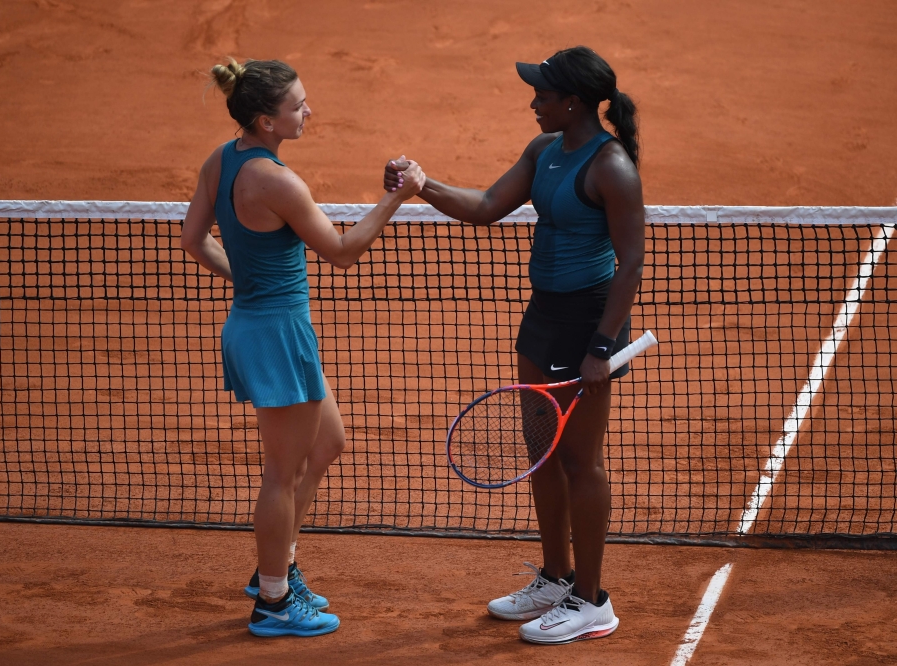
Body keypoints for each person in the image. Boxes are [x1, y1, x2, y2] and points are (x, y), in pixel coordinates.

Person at [384, 46, 644, 644]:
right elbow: (483, 208)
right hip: (543, 319)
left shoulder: (611, 167)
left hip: (588, 325)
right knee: (543, 455)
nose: (533, 103)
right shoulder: (544, 152)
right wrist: (421, 185)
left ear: (573, 102)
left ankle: (592, 601)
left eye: (543, 95)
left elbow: (630, 264)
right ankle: (555, 579)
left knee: (582, 462)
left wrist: (602, 347)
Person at [181, 57, 425, 638]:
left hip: (260, 325)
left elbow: (194, 240)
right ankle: (272, 600)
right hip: (276, 335)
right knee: (281, 474)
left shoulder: (222, 159)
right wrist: (399, 196)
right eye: (297, 106)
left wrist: (247, 280)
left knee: (329, 444)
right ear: (266, 120)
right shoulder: (279, 181)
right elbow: (342, 253)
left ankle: (278, 565)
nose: (307, 112)